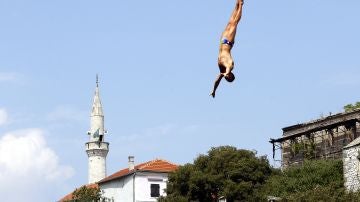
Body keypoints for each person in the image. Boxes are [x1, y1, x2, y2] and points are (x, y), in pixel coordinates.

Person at [210, 0, 244, 98]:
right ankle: (240, 4)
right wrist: (227, 73)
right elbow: (228, 68)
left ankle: (237, 2)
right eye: (229, 77)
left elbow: (217, 81)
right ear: (231, 75)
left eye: (227, 78)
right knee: (235, 22)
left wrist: (214, 90)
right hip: (228, 42)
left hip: (222, 40)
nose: (226, 77)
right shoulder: (230, 66)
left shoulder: (221, 71)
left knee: (230, 21)